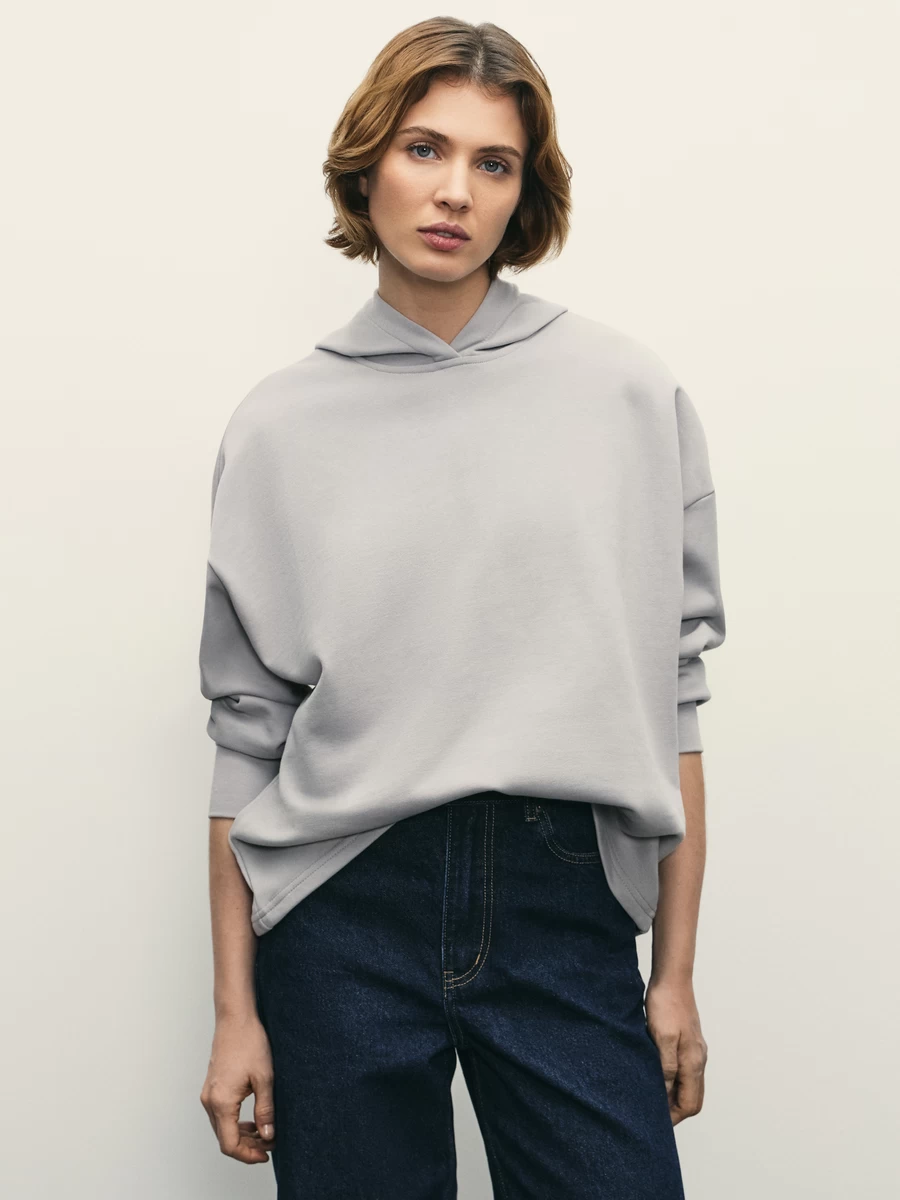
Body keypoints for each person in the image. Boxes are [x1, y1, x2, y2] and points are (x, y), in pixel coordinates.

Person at [198, 16, 726, 1199]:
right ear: (367, 165)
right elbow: (246, 735)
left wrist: (676, 974)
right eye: (425, 149)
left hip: (562, 892)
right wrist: (235, 1012)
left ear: (525, 194)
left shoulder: (626, 396)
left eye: (495, 163)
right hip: (340, 904)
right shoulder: (279, 426)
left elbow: (676, 695)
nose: (455, 192)